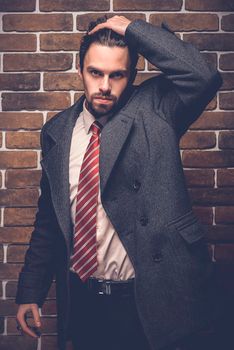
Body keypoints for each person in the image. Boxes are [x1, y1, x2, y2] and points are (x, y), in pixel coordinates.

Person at [15, 15, 222, 350]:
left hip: (150, 303)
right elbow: (50, 221)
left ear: (133, 75)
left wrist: (132, 29)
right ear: (80, 69)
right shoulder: (57, 132)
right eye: (96, 72)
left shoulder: (156, 108)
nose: (105, 86)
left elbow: (203, 76)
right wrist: (30, 292)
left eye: (117, 74)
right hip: (85, 300)